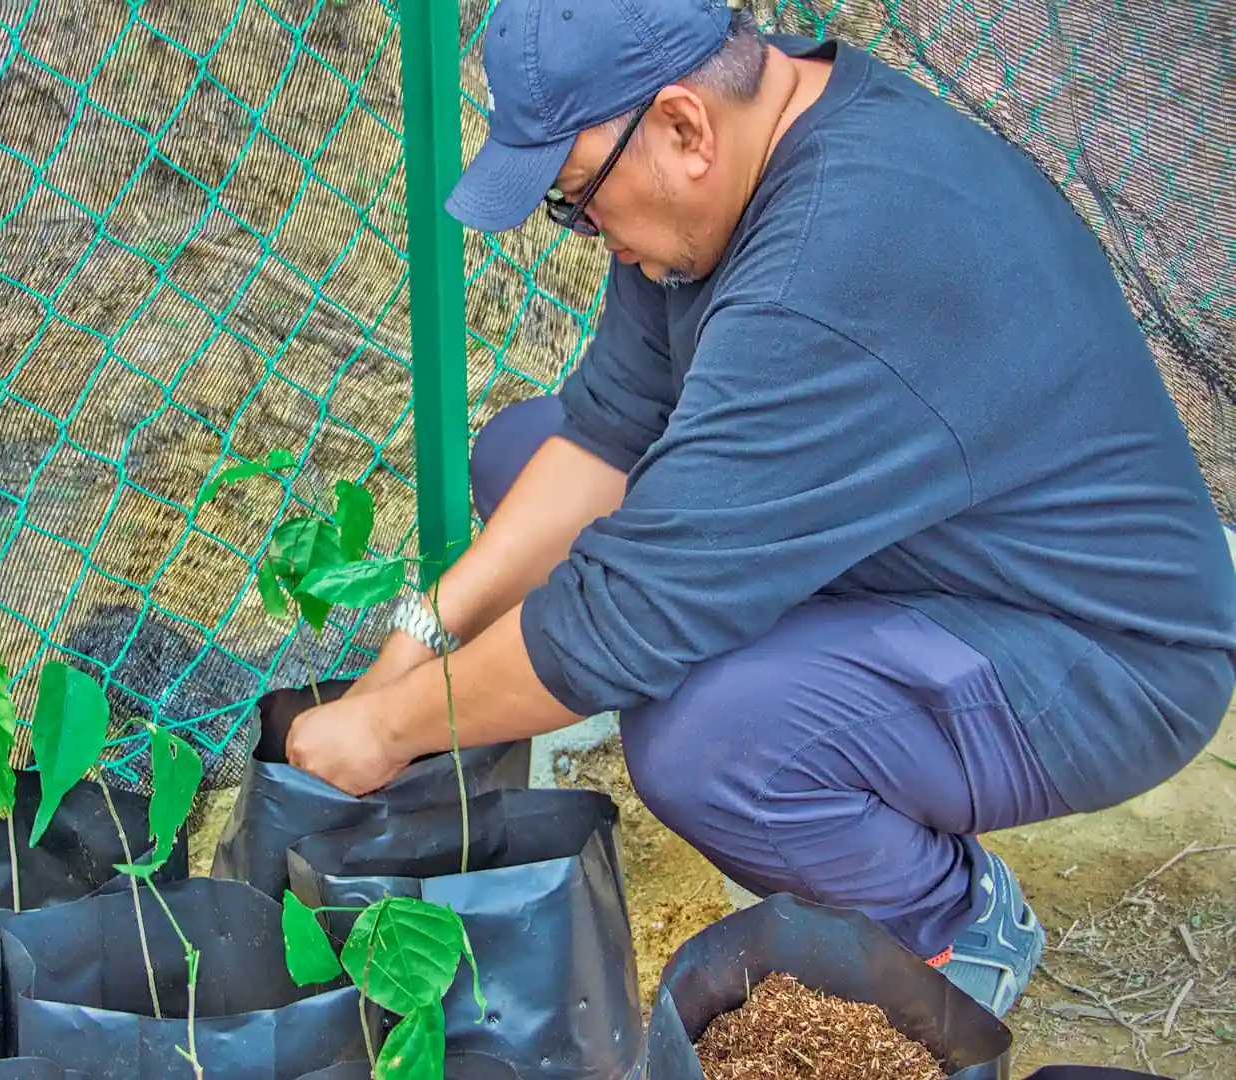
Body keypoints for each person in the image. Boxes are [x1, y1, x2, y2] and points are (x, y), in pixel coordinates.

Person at [283, 0, 1236, 1018]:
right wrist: (420, 635)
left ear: (684, 126)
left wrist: (391, 732)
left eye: (575, 200)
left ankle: (952, 926)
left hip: (1100, 653)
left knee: (710, 741)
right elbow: (609, 430)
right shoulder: (745, 147)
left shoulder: (829, 265)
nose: (591, 236)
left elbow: (632, 617)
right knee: (526, 458)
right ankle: (817, 737)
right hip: (936, 543)